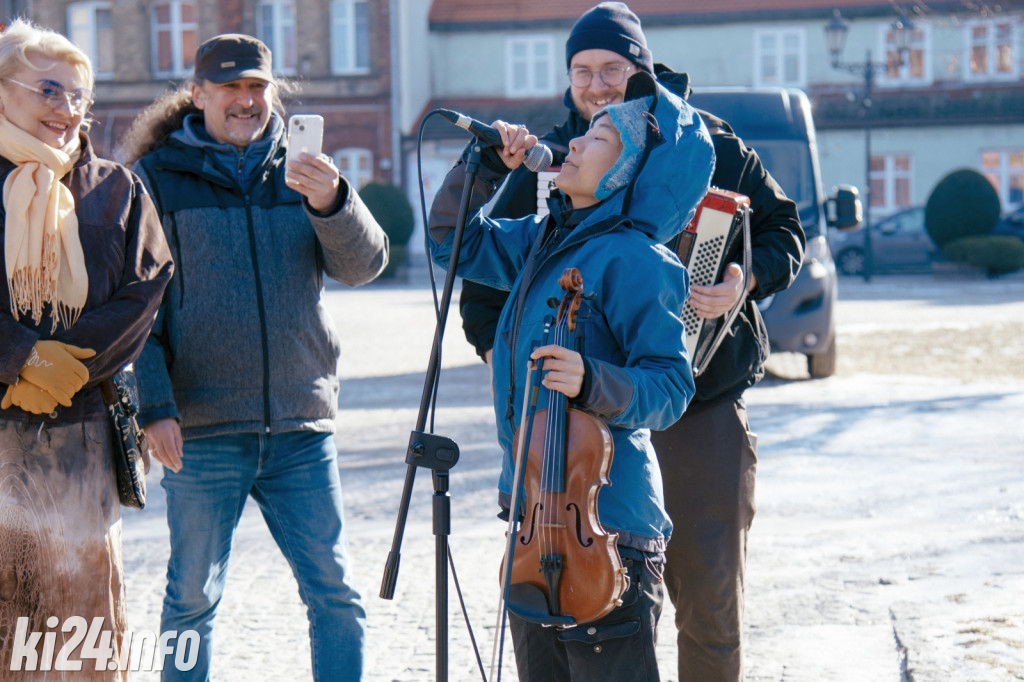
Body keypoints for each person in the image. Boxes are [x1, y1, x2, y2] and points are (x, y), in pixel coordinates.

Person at [456, 3, 806, 680]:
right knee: (587, 600)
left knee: (706, 597)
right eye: (581, 71)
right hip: (580, 424)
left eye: (611, 68)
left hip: (700, 397)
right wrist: (510, 363)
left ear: (639, 69)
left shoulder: (708, 142)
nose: (596, 85)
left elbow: (784, 225)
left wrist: (743, 279)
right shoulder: (557, 156)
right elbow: (484, 283)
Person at [118, 34, 388, 681]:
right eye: (232, 87)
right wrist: (153, 407)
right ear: (199, 94)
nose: (246, 100)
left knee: (337, 597)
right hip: (202, 430)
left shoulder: (305, 169)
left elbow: (365, 265)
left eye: (257, 87)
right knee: (190, 600)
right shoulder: (156, 178)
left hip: (300, 425)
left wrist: (332, 201)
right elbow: (137, 308)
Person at [430, 69, 714, 681]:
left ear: (626, 175)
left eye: (598, 141)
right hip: (536, 522)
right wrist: (486, 165)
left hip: (609, 532)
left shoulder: (640, 260)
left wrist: (592, 381)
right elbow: (451, 243)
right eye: (583, 135)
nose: (576, 144)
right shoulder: (543, 243)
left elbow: (671, 388)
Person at [0, 18, 173, 679]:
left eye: (78, 95)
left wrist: (60, 369)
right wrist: (17, 357)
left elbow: (144, 290)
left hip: (79, 443)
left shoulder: (114, 188)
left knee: (83, 628)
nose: (67, 110)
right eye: (49, 90)